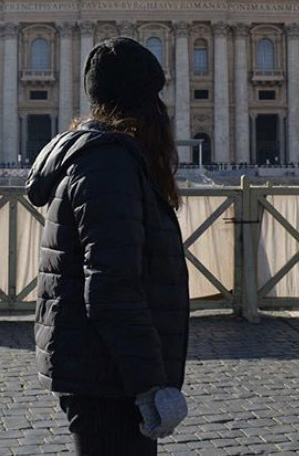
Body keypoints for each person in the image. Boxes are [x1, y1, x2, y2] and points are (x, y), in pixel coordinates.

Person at [26, 37, 190, 455]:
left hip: (100, 367)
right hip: (106, 375)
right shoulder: (109, 166)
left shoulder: (104, 159)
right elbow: (112, 288)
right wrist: (148, 385)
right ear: (141, 104)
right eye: (155, 98)